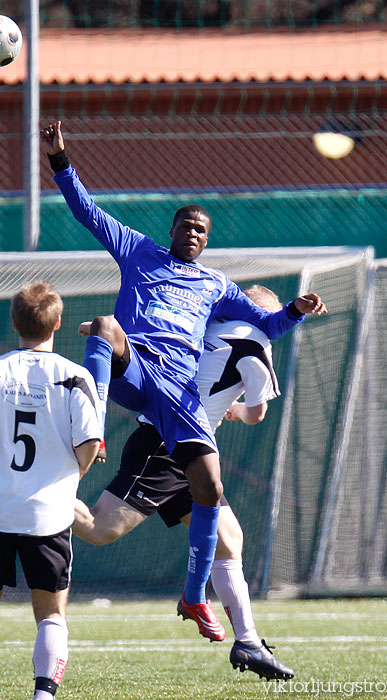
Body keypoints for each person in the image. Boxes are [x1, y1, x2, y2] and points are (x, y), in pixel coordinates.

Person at [40, 120, 327, 641]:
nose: (193, 233)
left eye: (202, 230)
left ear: (207, 241)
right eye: (186, 226)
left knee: (212, 498)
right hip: (136, 370)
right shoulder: (139, 251)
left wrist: (296, 310)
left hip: (178, 394)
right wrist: (61, 160)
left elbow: (267, 325)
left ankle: (200, 600)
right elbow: (87, 212)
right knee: (106, 326)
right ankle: (93, 428)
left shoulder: (217, 285)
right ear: (171, 230)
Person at [73, 285, 294, 680]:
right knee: (97, 529)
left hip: (181, 446)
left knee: (230, 541)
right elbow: (257, 413)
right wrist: (237, 411)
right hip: (166, 446)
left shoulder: (205, 321)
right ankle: (24, 493)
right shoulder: (257, 343)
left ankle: (248, 642)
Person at [0, 281, 102, 700]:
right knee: (51, 613)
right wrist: (71, 476)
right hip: (49, 512)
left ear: (14, 321)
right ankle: (43, 696)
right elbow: (90, 443)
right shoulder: (75, 376)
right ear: (57, 323)